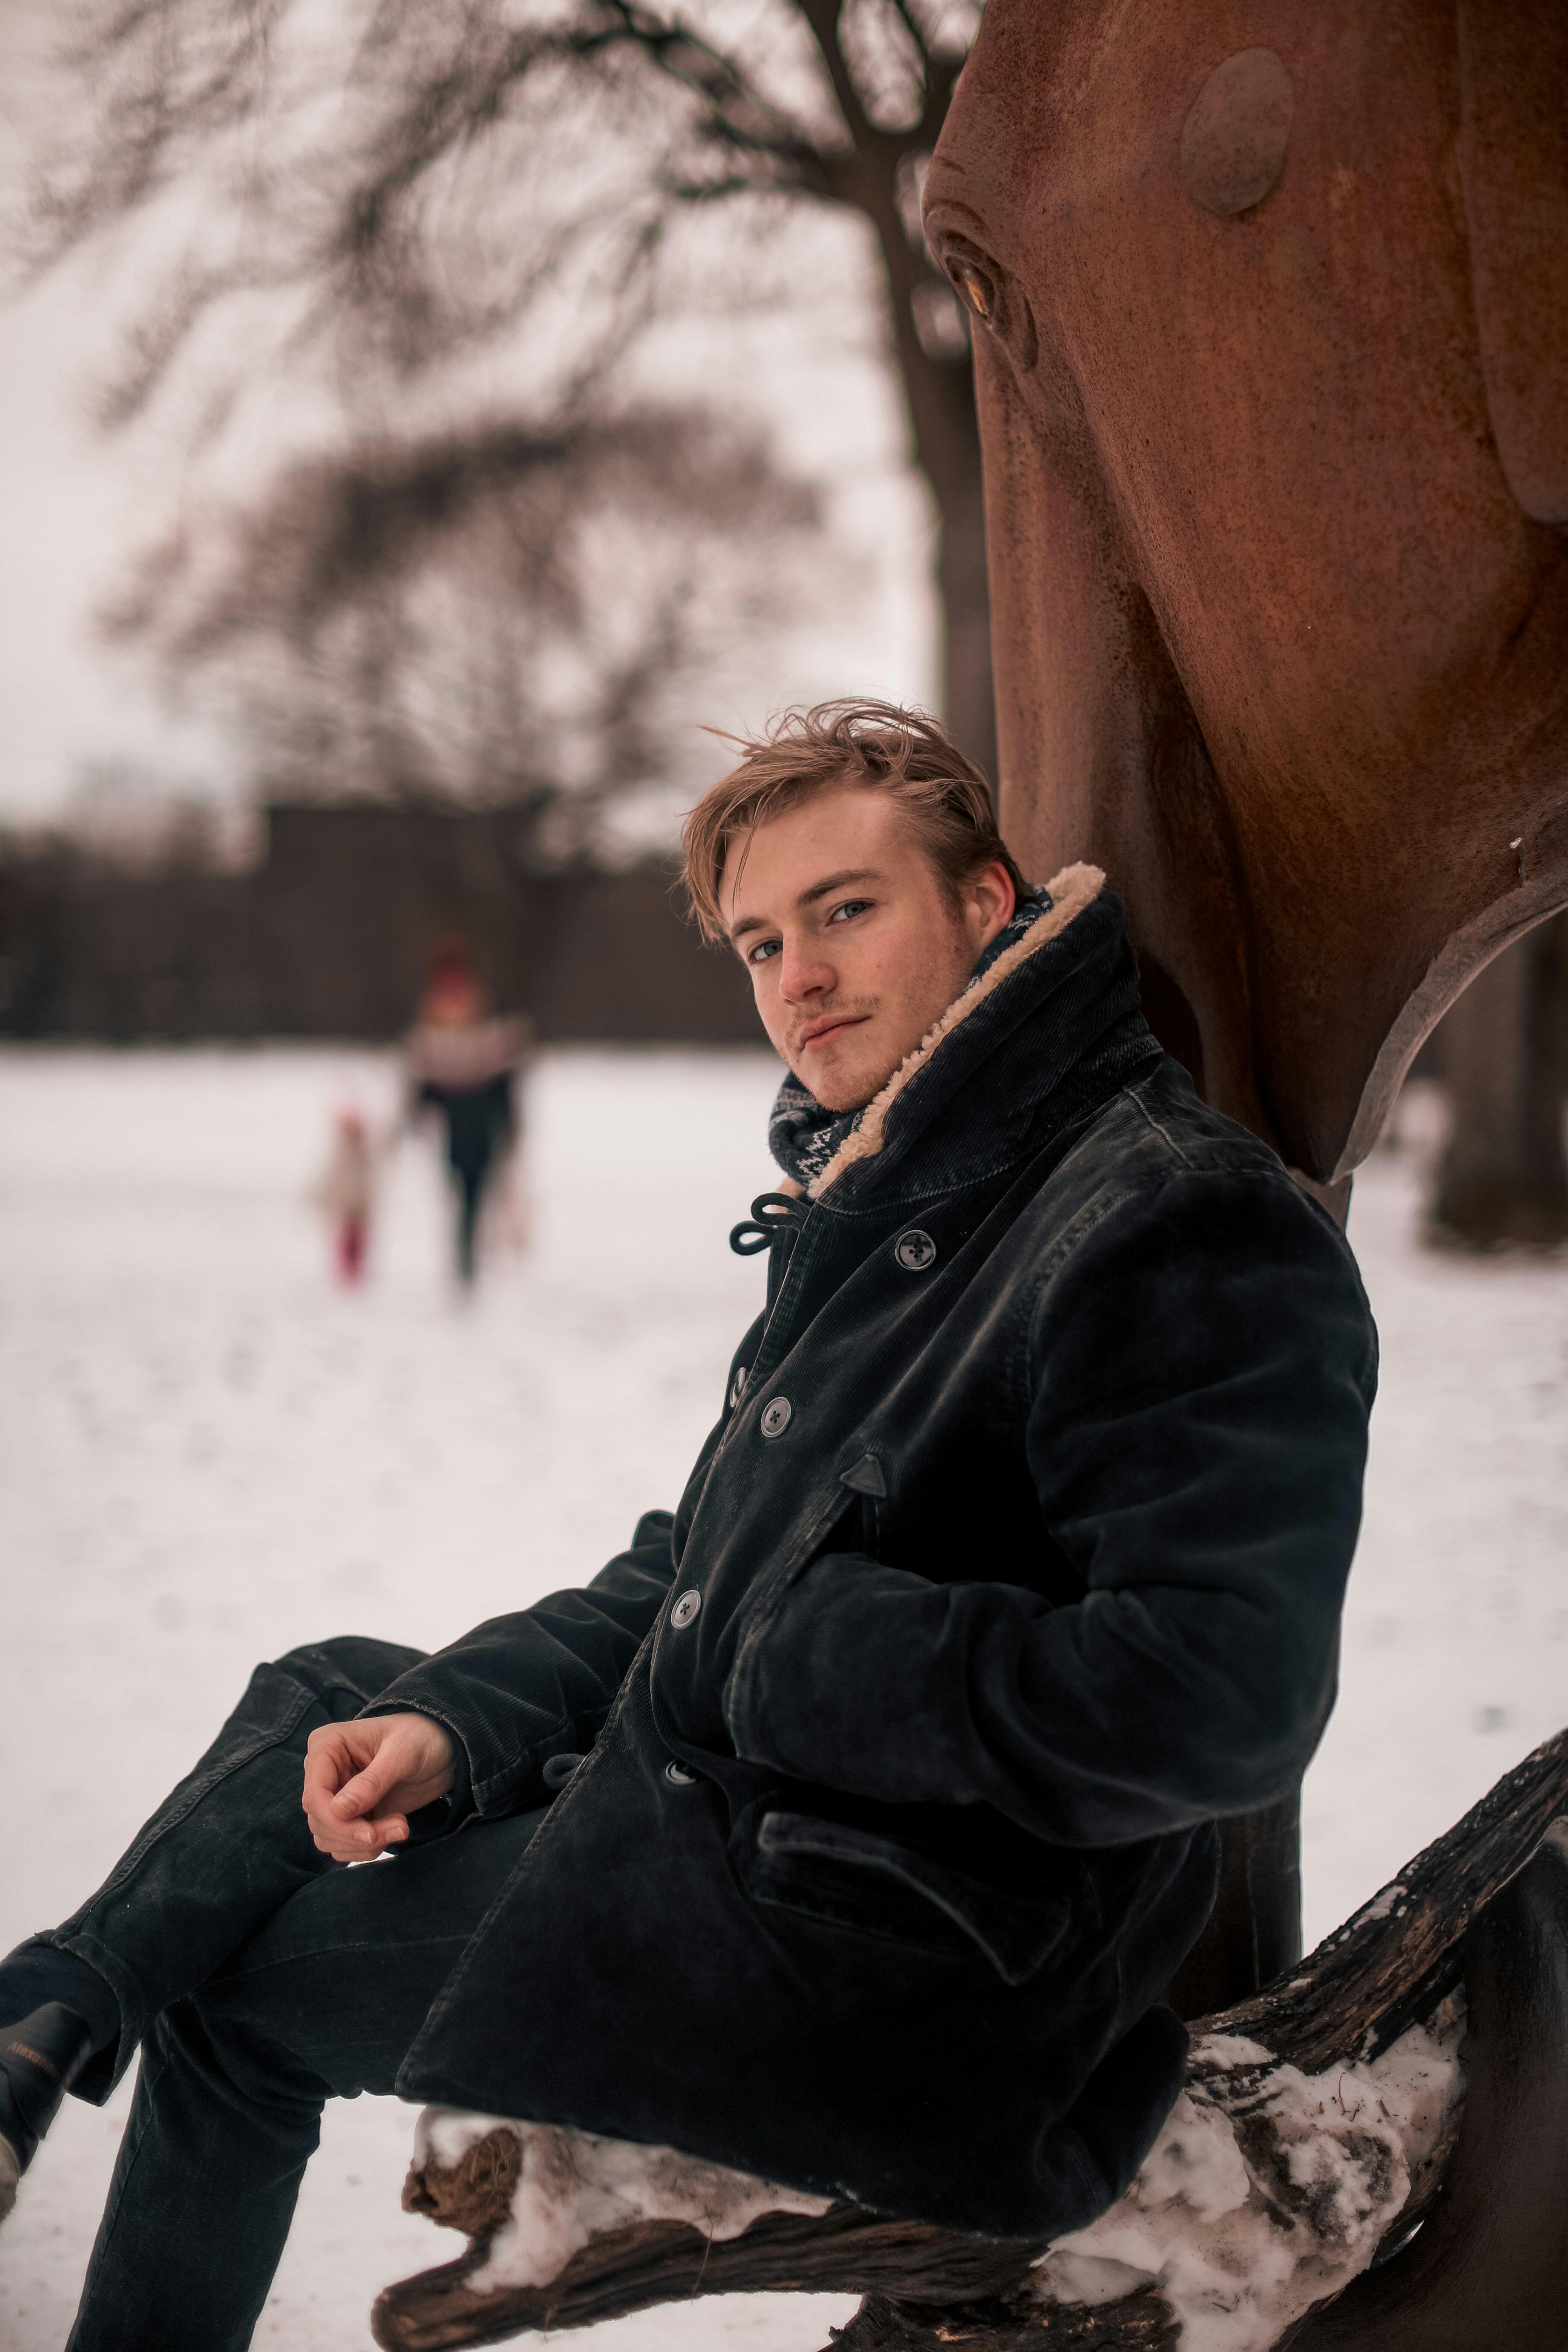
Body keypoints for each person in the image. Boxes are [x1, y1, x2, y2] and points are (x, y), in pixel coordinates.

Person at [0, 702, 1376, 2349]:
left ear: (988, 906)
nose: (798, 975)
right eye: (759, 941)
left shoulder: (1167, 1211)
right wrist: (453, 1727)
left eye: (848, 909)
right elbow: (689, 1584)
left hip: (903, 1982)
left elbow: (1223, 1698)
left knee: (239, 1993)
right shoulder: (909, 1199)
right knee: (339, 1693)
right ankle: (49, 2011)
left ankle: (56, 2032)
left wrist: (804, 1648)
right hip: (763, 1852)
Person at [403, 948, 532, 1284]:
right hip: (456, 1127)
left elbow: (503, 1082)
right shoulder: (432, 1029)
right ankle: (466, 1252)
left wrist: (508, 1120)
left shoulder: (489, 1028)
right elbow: (426, 1084)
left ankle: (468, 1254)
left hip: (481, 1125)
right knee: (461, 1188)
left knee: (474, 1191)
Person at [309, 1107, 378, 1284]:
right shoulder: (339, 1154)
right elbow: (328, 1177)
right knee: (345, 1241)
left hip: (362, 1205)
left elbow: (375, 1175)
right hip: (345, 1205)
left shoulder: (367, 1151)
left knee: (359, 1242)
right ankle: (346, 1273)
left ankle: (356, 1272)